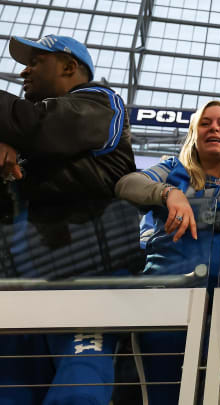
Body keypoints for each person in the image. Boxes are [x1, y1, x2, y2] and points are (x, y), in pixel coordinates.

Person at [0, 35, 136, 405]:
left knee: (79, 391)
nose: (23, 70)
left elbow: (37, 126)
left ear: (69, 66)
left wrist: (14, 146)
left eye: (36, 61)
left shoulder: (102, 102)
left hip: (86, 283)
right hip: (18, 290)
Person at [115, 100, 220, 404]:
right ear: (193, 133)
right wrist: (167, 193)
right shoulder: (173, 169)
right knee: (162, 398)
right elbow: (127, 183)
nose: (214, 128)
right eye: (205, 123)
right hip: (167, 308)